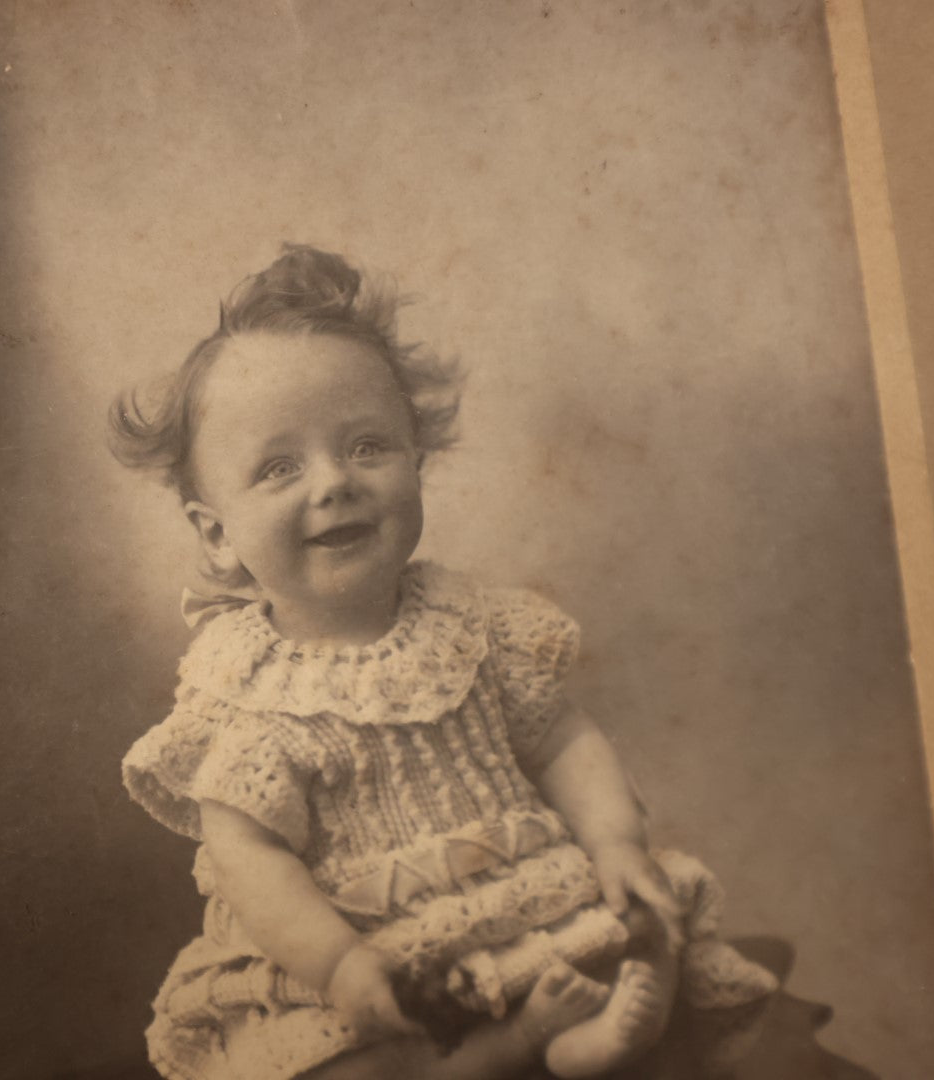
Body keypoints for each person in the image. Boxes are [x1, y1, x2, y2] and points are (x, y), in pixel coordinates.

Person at [112, 245, 775, 1080]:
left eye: (366, 448)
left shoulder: (476, 623)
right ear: (215, 533)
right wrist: (343, 969)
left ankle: (583, 1039)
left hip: (520, 898)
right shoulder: (244, 695)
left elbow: (562, 738)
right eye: (280, 468)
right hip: (364, 944)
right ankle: (507, 1050)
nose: (334, 484)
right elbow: (253, 858)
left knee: (649, 921)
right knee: (334, 1063)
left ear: (416, 467)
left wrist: (614, 841)